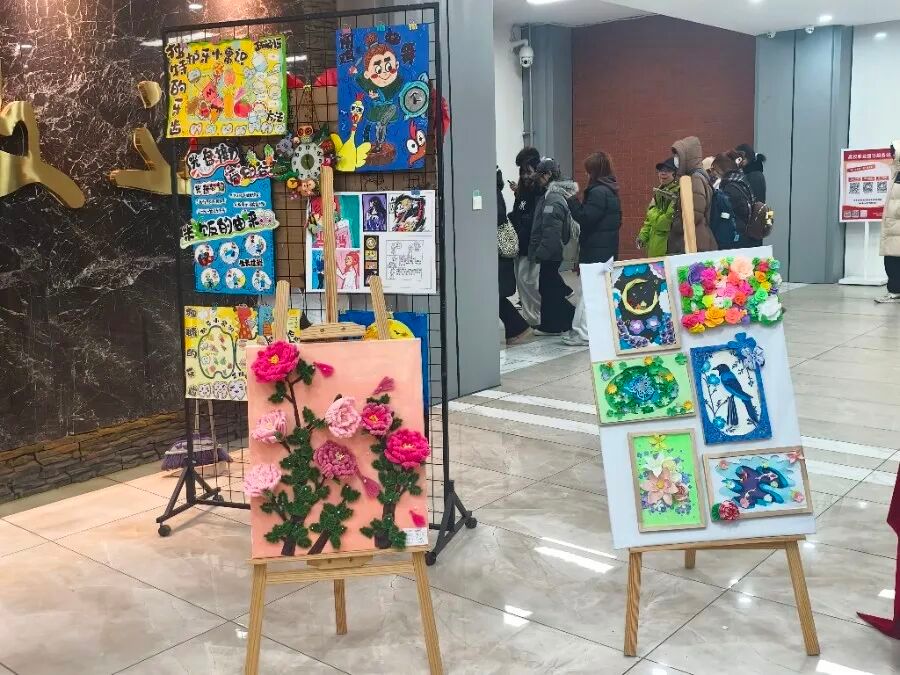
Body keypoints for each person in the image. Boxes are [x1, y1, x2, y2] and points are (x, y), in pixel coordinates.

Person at [565, 151, 622, 345]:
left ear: (594, 171)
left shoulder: (598, 192)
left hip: (595, 250)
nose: (586, 174)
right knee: (597, 292)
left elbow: (586, 217)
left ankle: (582, 333)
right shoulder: (611, 190)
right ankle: (592, 331)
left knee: (587, 293)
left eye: (588, 171)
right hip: (606, 250)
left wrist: (572, 201)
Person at [529, 158, 578, 335]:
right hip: (552, 251)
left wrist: (542, 252)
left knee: (548, 289)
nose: (537, 179)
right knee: (550, 288)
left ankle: (555, 324)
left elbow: (551, 231)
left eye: (540, 175)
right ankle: (562, 322)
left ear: (548, 174)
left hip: (551, 252)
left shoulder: (552, 199)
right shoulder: (551, 195)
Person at [508, 147, 542, 326]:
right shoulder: (522, 192)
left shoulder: (540, 192)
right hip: (521, 244)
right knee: (522, 282)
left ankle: (536, 317)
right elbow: (519, 213)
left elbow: (535, 219)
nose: (525, 176)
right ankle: (531, 317)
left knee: (530, 282)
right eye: (522, 172)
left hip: (532, 246)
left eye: (529, 172)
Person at [497, 168, 531, 341]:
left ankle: (518, 328)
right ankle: (517, 328)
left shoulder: (491, 192)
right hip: (498, 252)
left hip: (497, 252)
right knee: (495, 295)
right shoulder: (495, 190)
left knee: (494, 294)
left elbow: (498, 217)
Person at [668, 136, 717, 254]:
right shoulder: (699, 176)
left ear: (687, 156)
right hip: (696, 240)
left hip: (694, 242)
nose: (676, 159)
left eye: (678, 155)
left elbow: (695, 213)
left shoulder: (695, 179)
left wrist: (674, 224)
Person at [708, 151, 756, 248]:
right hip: (742, 235)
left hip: (733, 238)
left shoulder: (730, 187)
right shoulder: (741, 180)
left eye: (715, 169)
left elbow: (727, 212)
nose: (714, 173)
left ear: (722, 168)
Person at [637, 157, 679, 257]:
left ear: (675, 173)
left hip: (667, 250)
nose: (662, 173)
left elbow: (664, 223)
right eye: (660, 170)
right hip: (654, 247)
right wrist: (643, 235)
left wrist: (651, 210)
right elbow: (649, 220)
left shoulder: (678, 193)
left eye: (668, 170)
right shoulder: (660, 191)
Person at [877, 142, 900, 303]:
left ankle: (894, 291)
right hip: (893, 226)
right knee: (892, 259)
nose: (891, 155)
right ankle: (895, 291)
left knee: (892, 260)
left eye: (894, 152)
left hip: (895, 224)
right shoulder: (896, 173)